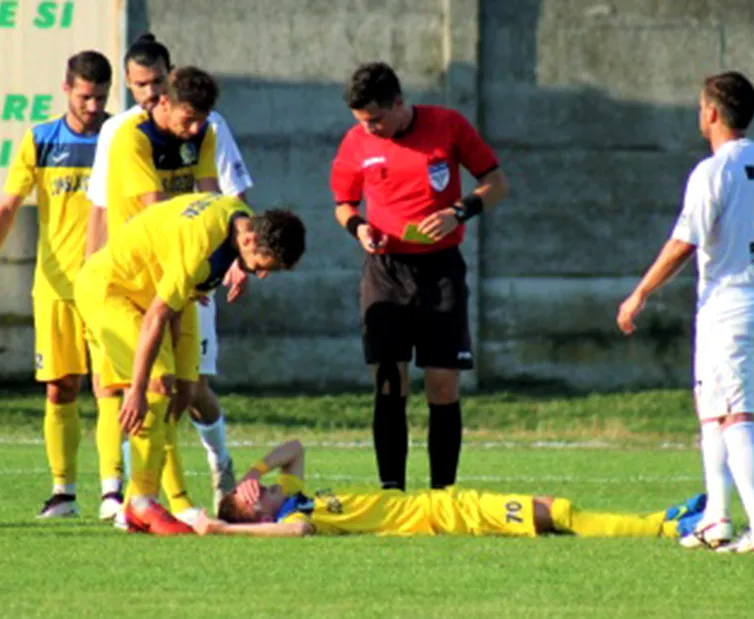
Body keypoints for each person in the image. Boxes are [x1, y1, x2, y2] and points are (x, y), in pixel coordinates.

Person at [617, 71, 754, 553]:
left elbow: (683, 242)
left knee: (737, 417)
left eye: (699, 106)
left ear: (711, 113)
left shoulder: (712, 172)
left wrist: (640, 292)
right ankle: (717, 519)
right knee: (713, 413)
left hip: (731, 306)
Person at [85, 34, 253, 523]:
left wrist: (230, 258)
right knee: (139, 389)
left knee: (183, 391)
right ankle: (131, 500)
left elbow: (210, 195)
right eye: (189, 118)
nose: (195, 128)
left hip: (180, 275)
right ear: (162, 101)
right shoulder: (128, 137)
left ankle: (156, 497)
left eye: (201, 120)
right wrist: (203, 261)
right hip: (135, 280)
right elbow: (157, 216)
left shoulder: (203, 133)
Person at [73, 192, 305, 535]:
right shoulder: (200, 246)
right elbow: (157, 315)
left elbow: (182, 285)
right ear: (251, 240)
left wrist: (241, 266)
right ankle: (139, 503)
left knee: (183, 391)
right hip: (111, 290)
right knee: (156, 382)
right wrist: (135, 389)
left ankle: (145, 498)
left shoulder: (241, 219)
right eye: (261, 267)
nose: (261, 275)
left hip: (149, 292)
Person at [330, 61, 509, 492]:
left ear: (398, 103)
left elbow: (497, 183)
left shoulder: (447, 125)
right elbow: (343, 204)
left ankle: (441, 493)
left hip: (441, 271)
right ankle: (392, 491)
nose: (369, 129)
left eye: (375, 119)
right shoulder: (356, 142)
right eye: (361, 121)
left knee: (443, 386)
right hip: (386, 272)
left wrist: (458, 211)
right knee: (389, 383)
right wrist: (359, 228)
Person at [0, 50, 113, 518]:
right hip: (54, 287)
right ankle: (64, 492)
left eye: (102, 97)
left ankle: (113, 491)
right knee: (59, 387)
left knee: (109, 387)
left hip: (110, 284)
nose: (93, 106)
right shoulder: (40, 139)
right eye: (86, 96)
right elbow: (8, 205)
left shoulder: (120, 136)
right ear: (67, 89)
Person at [194, 439, 706, 539]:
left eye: (249, 489)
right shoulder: (291, 518)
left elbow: (295, 445)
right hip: (444, 517)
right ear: (258, 516)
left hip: (441, 502)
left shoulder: (293, 492)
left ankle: (665, 518)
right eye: (250, 497)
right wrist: (220, 527)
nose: (254, 489)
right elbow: (300, 529)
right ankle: (664, 525)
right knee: (558, 510)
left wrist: (257, 467)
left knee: (552, 509)